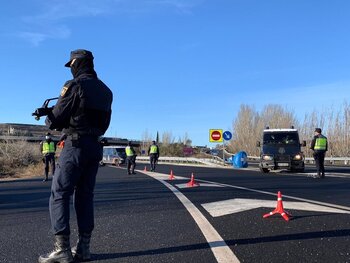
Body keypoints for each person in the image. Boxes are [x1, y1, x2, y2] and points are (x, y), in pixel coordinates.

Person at [39, 49, 113, 263]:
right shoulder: (106, 90)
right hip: (94, 147)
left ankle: (62, 249)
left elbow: (56, 119)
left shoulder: (74, 85)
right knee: (85, 195)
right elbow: (103, 124)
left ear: (77, 64)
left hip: (76, 145)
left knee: (60, 193)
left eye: (71, 64)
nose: (70, 69)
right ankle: (84, 248)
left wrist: (48, 117)